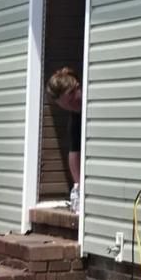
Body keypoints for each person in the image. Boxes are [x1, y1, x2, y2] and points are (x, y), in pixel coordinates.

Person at [45, 67, 82, 212]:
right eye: (65, 106)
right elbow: (74, 154)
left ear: (77, 87)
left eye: (72, 100)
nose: (72, 106)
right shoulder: (74, 121)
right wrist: (79, 186)